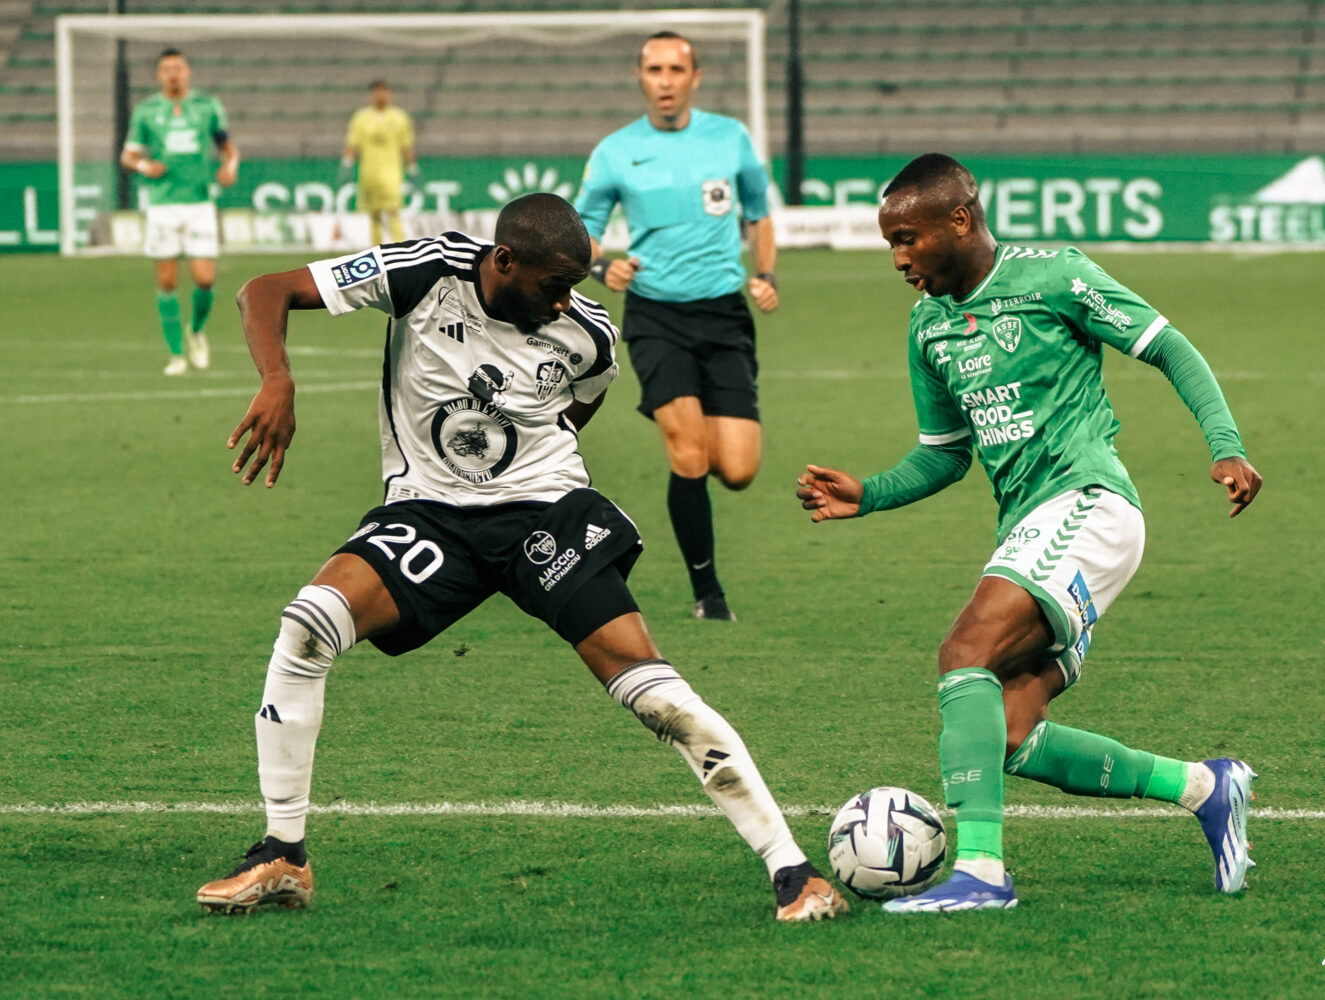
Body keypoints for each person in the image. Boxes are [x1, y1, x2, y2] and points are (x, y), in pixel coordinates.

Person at [193, 194, 845, 923]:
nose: (568, 301)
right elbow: (265, 291)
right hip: (429, 517)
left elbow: (579, 407)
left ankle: (794, 870)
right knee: (308, 625)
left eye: (577, 285)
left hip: (545, 514)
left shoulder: (589, 333)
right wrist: (279, 380)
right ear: (504, 261)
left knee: (653, 692)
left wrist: (527, 466)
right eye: (554, 286)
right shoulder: (427, 272)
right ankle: (284, 853)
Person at [795, 154, 1264, 913]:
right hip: (1034, 527)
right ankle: (1206, 788)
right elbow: (945, 455)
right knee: (1009, 731)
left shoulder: (1054, 276)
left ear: (960, 219)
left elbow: (1167, 345)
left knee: (964, 653)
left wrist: (1226, 443)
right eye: (890, 244)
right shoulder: (928, 328)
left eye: (909, 238)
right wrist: (871, 493)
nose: (900, 259)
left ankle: (980, 873)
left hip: (1088, 505)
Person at [574, 31, 778, 622]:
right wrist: (600, 264)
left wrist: (765, 273)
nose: (665, 80)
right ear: (641, 78)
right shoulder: (616, 151)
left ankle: (698, 491)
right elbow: (582, 229)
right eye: (654, 70)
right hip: (655, 314)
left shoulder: (730, 138)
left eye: (675, 69)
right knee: (688, 454)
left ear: (696, 77)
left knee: (737, 470)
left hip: (723, 314)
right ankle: (708, 594)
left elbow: (760, 213)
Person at [119, 47, 238, 376]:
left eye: (178, 68)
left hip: (199, 203)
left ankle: (196, 331)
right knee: (168, 282)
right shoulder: (146, 111)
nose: (173, 73)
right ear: (159, 75)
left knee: (205, 278)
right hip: (163, 206)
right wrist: (144, 165)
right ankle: (175, 355)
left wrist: (230, 166)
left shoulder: (206, 107)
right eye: (166, 68)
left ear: (188, 72)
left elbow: (228, 148)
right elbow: (127, 156)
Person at [340, 79, 418, 244]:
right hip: (369, 173)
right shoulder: (361, 118)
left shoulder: (399, 118)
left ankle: (399, 248)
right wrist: (347, 162)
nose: (380, 95)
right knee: (373, 214)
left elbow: (406, 145)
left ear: (389, 94)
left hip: (391, 174)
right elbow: (353, 143)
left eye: (383, 91)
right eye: (376, 91)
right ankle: (377, 250)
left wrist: (412, 167)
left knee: (393, 211)